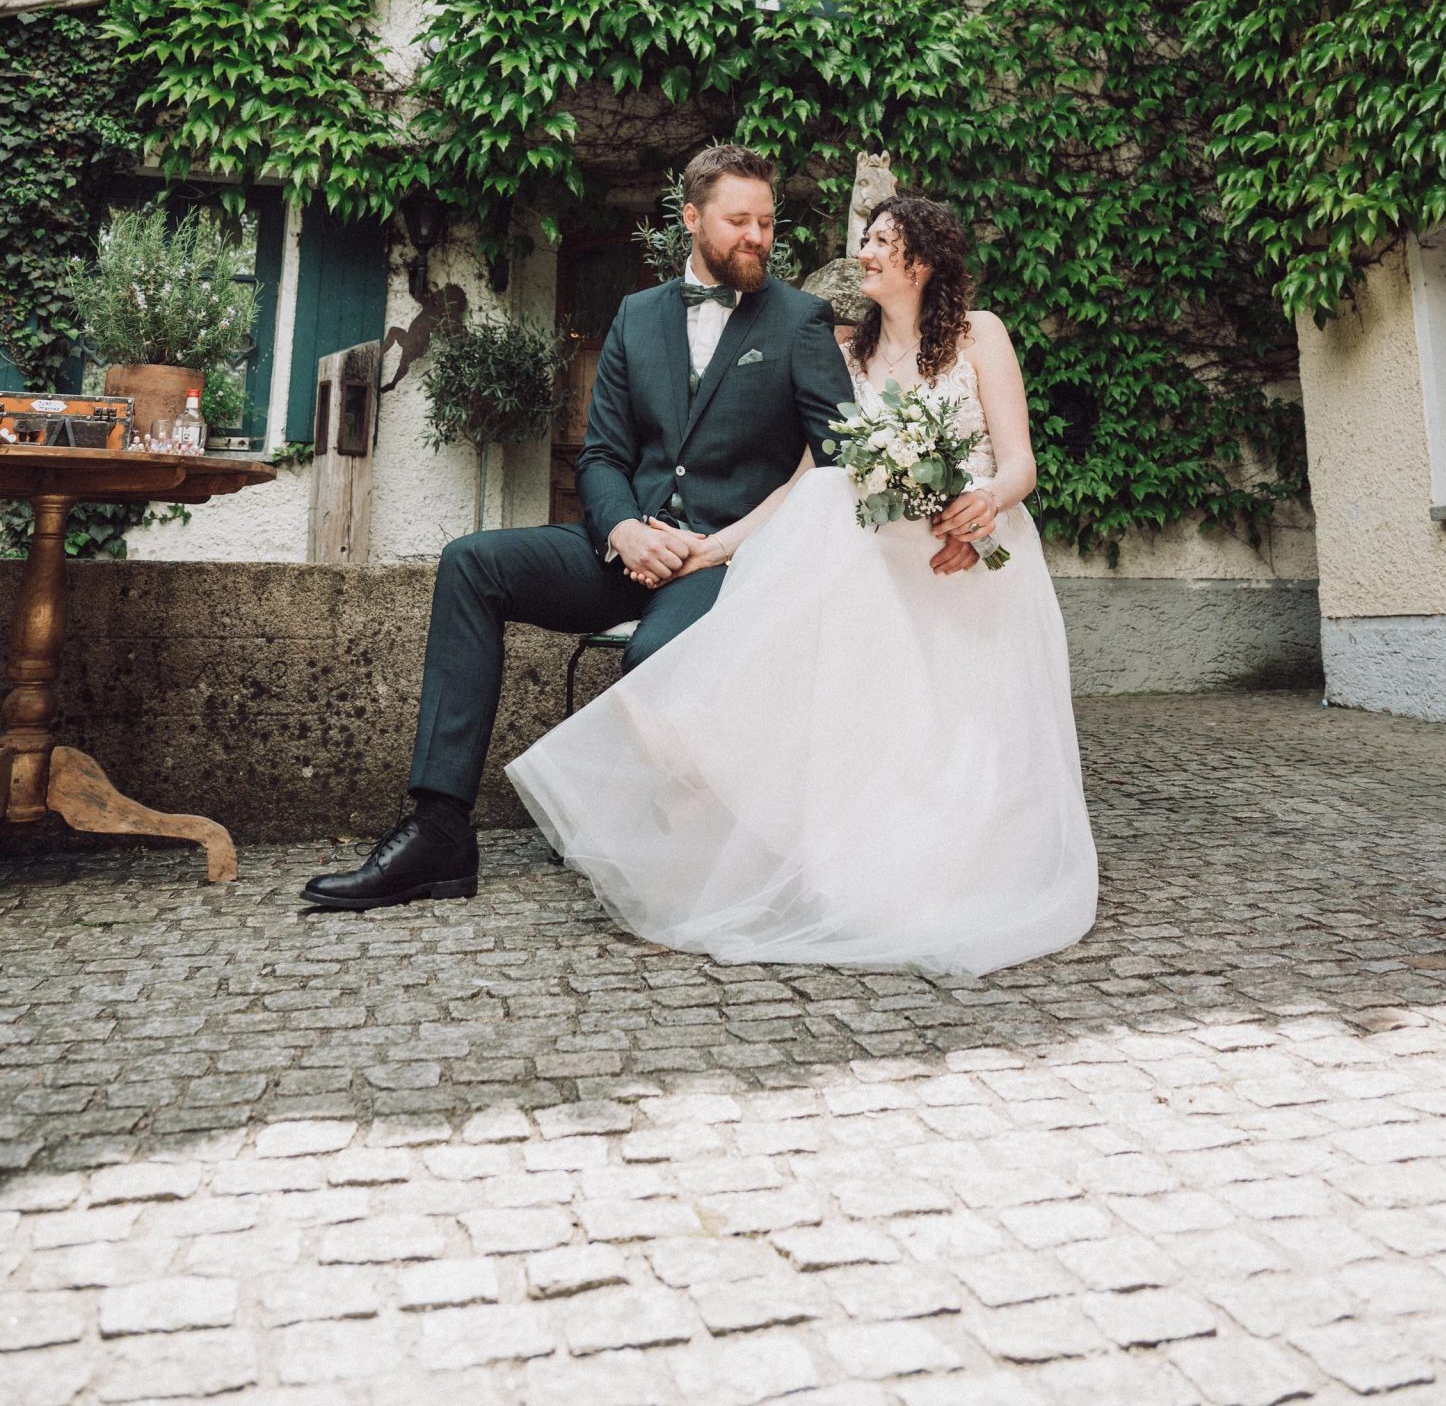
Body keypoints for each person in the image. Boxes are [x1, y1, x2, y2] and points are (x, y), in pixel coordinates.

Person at [506, 194, 1098, 976]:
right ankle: (737, 770)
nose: (866, 253)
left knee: (835, 529)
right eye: (867, 238)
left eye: (882, 241)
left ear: (923, 259)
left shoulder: (980, 334)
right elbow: (802, 481)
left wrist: (984, 507)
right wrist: (718, 547)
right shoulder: (846, 355)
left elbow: (1020, 463)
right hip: (883, 556)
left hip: (969, 549)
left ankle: (717, 751)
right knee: (826, 501)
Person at [303, 142, 863, 911]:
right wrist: (624, 530)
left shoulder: (801, 320)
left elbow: (838, 461)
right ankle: (439, 831)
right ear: (692, 218)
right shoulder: (637, 315)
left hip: (724, 563)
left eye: (766, 222)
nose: (757, 237)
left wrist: (727, 546)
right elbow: (602, 455)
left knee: (653, 661)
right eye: (739, 221)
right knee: (471, 563)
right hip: (624, 549)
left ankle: (681, 845)